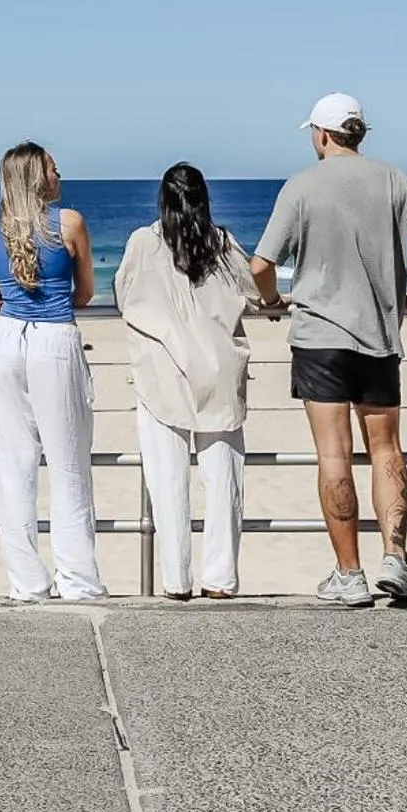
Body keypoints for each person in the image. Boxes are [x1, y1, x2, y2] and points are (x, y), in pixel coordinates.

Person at [250, 92, 407, 608]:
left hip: (319, 339)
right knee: (387, 450)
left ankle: (350, 575)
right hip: (379, 338)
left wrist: (274, 301)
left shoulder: (300, 186)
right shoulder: (396, 180)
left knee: (333, 455)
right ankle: (396, 559)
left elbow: (260, 264)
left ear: (322, 134)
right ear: (359, 133)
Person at [115, 163, 257, 601]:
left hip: (162, 372)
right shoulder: (223, 243)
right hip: (218, 369)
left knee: (168, 482)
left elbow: (123, 294)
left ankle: (176, 579)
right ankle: (220, 577)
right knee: (223, 480)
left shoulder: (143, 242)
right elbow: (253, 292)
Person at [0, 142, 105, 602]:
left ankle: (27, 582)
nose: (59, 169)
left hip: (7, 339)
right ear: (36, 176)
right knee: (68, 465)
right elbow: (84, 293)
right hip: (54, 339)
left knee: (14, 466)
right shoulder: (69, 223)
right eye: (52, 165)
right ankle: (78, 581)